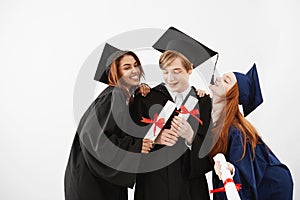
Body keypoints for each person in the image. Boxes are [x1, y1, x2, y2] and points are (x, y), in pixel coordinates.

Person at [64, 43, 153, 200]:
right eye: (127, 67)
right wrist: (137, 145)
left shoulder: (120, 96)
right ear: (116, 73)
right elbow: (98, 141)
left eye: (136, 65)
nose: (134, 70)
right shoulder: (114, 95)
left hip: (89, 178)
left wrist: (138, 92)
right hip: (93, 184)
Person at [130, 47, 214, 199]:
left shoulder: (203, 102)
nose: (170, 78)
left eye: (177, 71)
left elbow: (212, 147)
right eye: (165, 71)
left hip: (189, 187)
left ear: (190, 69)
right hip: (154, 183)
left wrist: (191, 137)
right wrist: (155, 138)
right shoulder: (146, 98)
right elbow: (131, 138)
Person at [209, 64, 294, 200]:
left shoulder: (235, 131)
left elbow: (243, 174)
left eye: (226, 80)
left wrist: (231, 170)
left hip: (273, 185)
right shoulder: (215, 121)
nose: (218, 79)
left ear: (233, 95)